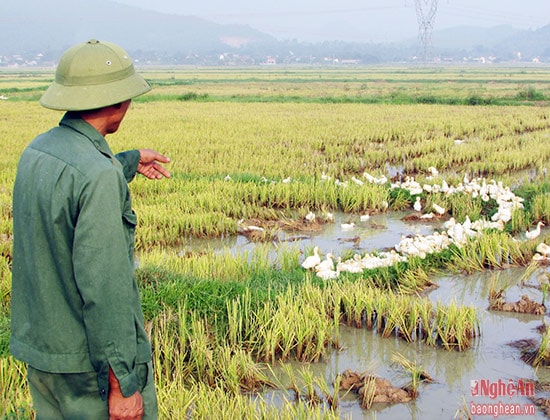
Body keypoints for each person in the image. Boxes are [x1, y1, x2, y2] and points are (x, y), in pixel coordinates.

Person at [10, 39, 170, 419]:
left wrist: (126, 161)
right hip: (90, 373)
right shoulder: (96, 175)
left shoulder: (38, 152)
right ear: (118, 102)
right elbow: (105, 288)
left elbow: (71, 185)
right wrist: (122, 386)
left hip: (46, 358)